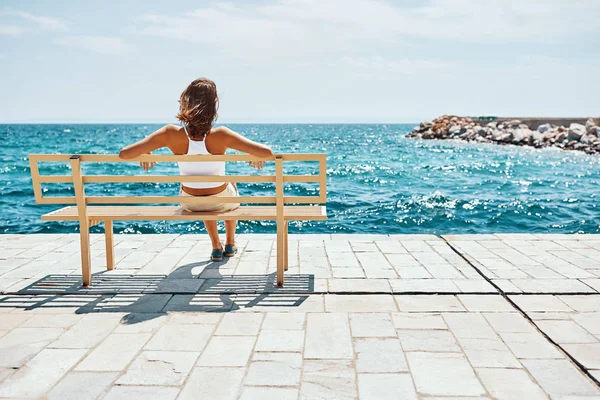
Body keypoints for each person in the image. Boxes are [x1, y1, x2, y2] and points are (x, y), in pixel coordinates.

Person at [119, 78, 273, 261]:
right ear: (213, 106)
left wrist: (145, 152)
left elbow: (124, 154)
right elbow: (267, 153)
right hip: (220, 201)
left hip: (190, 202)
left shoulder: (169, 134)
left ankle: (216, 246)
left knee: (203, 191)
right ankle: (230, 243)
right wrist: (251, 154)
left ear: (186, 103)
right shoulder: (222, 134)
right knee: (228, 184)